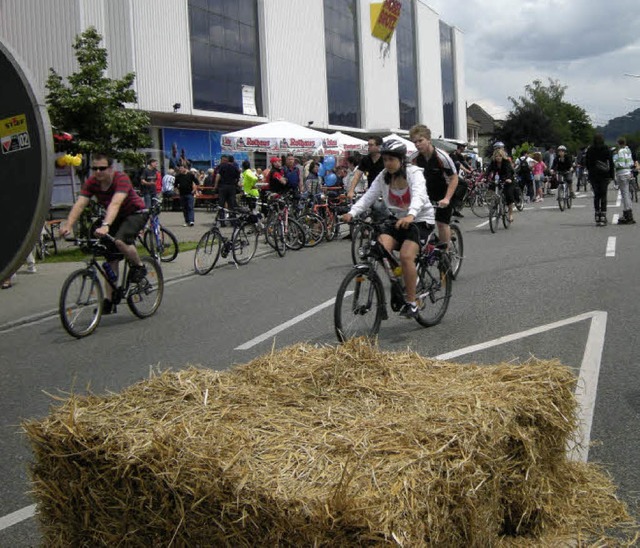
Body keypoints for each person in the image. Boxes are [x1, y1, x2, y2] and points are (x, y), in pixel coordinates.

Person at [341, 139, 435, 319]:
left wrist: (411, 214)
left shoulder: (413, 173)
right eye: (385, 160)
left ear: (401, 159)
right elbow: (369, 196)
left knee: (407, 256)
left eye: (391, 159)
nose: (387, 163)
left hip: (421, 220)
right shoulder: (384, 176)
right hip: (398, 220)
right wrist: (352, 213)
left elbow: (420, 195)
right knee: (380, 247)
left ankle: (412, 301)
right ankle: (401, 279)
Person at [58, 153, 149, 313]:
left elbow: (115, 203)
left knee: (121, 241)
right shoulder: (92, 182)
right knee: (110, 259)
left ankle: (139, 267)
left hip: (135, 213)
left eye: (102, 168)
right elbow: (80, 204)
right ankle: (109, 300)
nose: (98, 172)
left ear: (110, 168)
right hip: (114, 217)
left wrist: (106, 225)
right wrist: (68, 225)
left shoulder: (121, 178)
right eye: (94, 169)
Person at [409, 124, 459, 245]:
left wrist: (447, 198)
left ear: (429, 140)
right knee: (417, 222)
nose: (417, 144)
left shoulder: (442, 157)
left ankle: (445, 253)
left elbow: (454, 178)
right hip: (425, 193)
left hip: (444, 192)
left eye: (420, 140)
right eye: (415, 142)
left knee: (441, 223)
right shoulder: (413, 158)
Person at [585, 133, 614, 226]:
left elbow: (587, 163)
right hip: (604, 174)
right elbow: (611, 163)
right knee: (603, 195)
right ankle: (603, 215)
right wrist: (611, 176)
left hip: (593, 175)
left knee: (596, 195)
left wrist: (590, 173)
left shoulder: (590, 149)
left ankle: (597, 214)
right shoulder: (606, 148)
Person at [346, 136, 384, 200]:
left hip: (385, 192)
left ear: (379, 146)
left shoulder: (385, 159)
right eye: (368, 145)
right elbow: (357, 175)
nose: (368, 147)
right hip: (371, 191)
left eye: (371, 145)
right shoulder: (366, 159)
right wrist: (351, 190)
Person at [486, 148, 516, 222]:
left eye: (499, 156)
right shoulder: (493, 162)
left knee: (509, 195)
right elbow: (488, 171)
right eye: (496, 156)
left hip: (508, 179)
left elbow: (509, 172)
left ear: (502, 156)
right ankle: (494, 204)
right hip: (498, 179)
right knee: (491, 188)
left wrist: (508, 179)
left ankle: (510, 214)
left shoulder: (506, 162)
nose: (498, 157)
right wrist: (485, 178)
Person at [613, 137, 636, 224]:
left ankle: (627, 214)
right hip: (628, 172)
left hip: (622, 173)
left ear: (618, 143)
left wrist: (615, 162)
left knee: (625, 194)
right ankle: (629, 213)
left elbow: (621, 164)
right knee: (627, 194)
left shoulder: (620, 151)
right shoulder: (628, 150)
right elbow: (631, 162)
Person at [214, 154, 241, 225]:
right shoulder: (235, 167)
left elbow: (218, 176)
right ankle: (233, 221)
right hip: (231, 188)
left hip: (222, 187)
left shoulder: (222, 166)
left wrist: (215, 186)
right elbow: (237, 178)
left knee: (221, 205)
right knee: (231, 205)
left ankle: (222, 221)